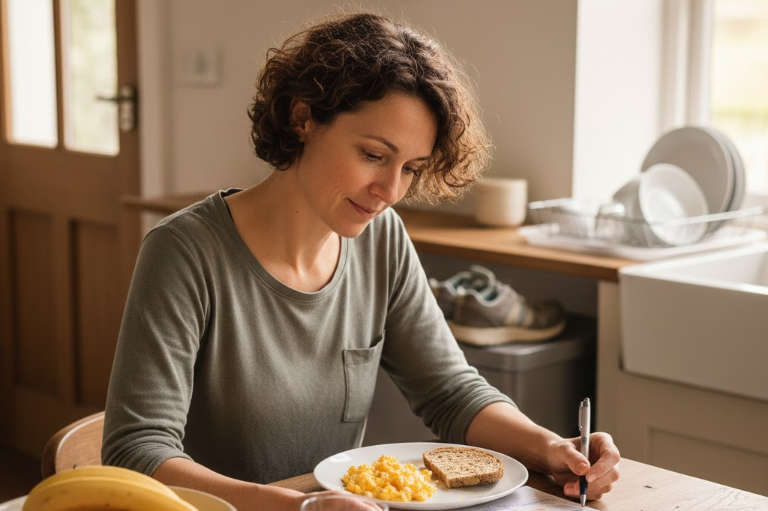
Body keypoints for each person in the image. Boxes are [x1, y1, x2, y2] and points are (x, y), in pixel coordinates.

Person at [102, 12, 620, 511]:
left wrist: (549, 447)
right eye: (373, 155)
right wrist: (296, 507)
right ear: (303, 117)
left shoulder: (381, 239)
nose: (390, 191)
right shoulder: (185, 252)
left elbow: (449, 390)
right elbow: (136, 452)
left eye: (411, 168)